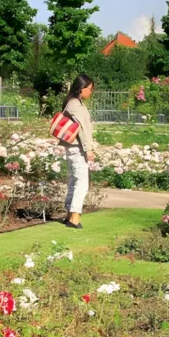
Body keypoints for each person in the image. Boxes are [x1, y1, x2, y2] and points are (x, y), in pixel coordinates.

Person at [59, 73, 96, 228]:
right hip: (78, 148)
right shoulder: (75, 104)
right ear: (82, 88)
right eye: (90, 88)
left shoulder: (73, 103)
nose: (91, 92)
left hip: (74, 147)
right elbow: (81, 130)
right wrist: (88, 149)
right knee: (82, 183)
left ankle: (69, 215)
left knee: (75, 181)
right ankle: (74, 218)